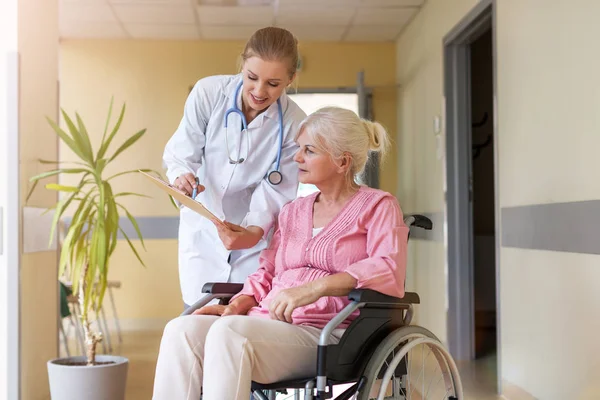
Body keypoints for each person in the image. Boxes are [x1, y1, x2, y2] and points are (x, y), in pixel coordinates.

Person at [152, 107, 409, 400]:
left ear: (342, 161)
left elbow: (388, 267)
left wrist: (315, 288)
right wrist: (236, 306)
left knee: (230, 333)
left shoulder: (379, 206)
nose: (296, 157)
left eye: (309, 150)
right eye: (299, 148)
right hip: (267, 322)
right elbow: (267, 272)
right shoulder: (293, 211)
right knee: (181, 330)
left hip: (329, 333)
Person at [163, 27, 307, 308]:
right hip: (203, 228)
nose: (259, 91)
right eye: (252, 77)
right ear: (242, 64)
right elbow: (183, 150)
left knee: (240, 319)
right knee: (197, 315)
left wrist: (254, 231)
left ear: (291, 79)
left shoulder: (295, 124)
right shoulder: (209, 93)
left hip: (251, 239)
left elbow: (276, 191)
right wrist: (182, 176)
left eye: (273, 83)